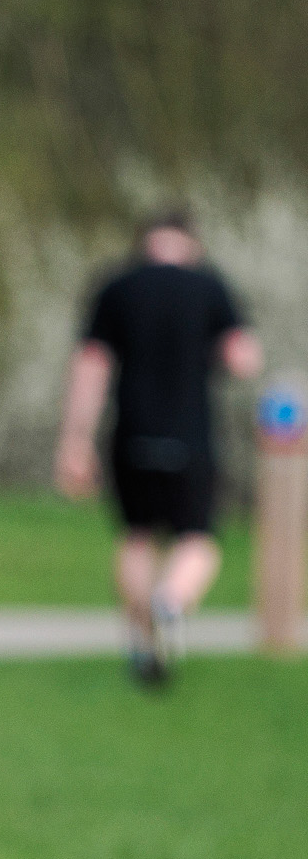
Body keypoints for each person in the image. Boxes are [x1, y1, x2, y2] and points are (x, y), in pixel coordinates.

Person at [55, 210, 262, 681]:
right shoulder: (210, 287)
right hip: (191, 438)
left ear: (145, 242)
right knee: (198, 540)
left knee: (137, 536)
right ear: (191, 243)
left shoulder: (118, 287)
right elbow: (244, 359)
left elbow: (91, 366)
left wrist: (75, 442)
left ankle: (142, 642)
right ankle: (170, 603)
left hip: (131, 436)